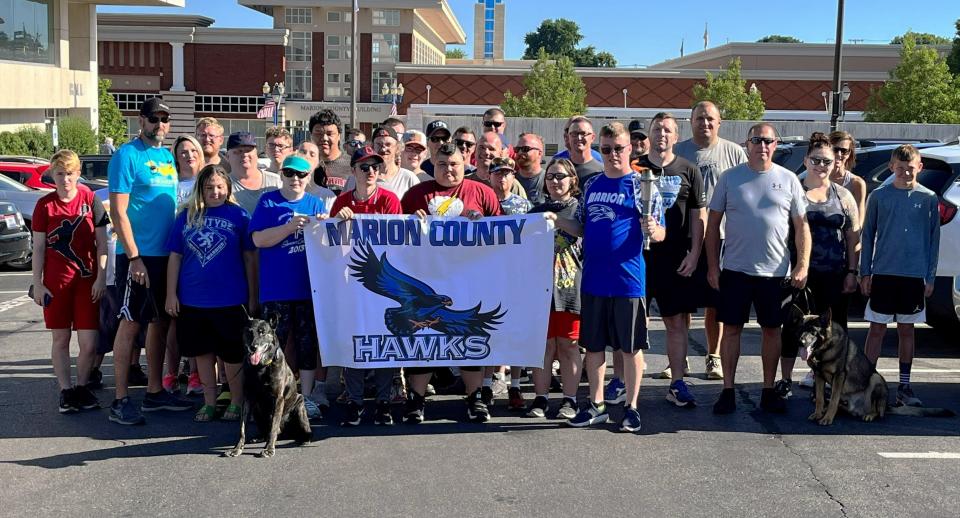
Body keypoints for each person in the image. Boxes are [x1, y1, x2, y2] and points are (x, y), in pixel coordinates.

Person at [549, 122, 666, 433]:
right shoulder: (592, 185)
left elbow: (661, 231)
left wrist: (654, 229)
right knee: (595, 346)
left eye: (618, 148)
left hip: (628, 278)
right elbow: (582, 228)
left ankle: (631, 407)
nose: (613, 154)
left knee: (629, 348)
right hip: (594, 278)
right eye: (606, 149)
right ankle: (597, 404)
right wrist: (555, 219)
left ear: (630, 149)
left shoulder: (642, 185)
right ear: (599, 149)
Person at [706, 123, 810, 415]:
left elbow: (802, 227)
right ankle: (727, 390)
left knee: (771, 331)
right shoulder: (730, 178)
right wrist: (713, 266)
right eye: (756, 140)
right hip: (736, 270)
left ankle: (768, 390)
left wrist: (802, 264)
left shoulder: (789, 179)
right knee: (732, 330)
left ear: (775, 145)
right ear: (747, 144)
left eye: (768, 141)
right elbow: (712, 226)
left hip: (775, 274)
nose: (762, 146)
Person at [400, 143, 502, 423]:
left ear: (465, 162)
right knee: (423, 339)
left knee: (469, 337)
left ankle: (475, 397)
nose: (449, 169)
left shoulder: (482, 192)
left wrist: (483, 225)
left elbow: (505, 236)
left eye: (454, 164)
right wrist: (409, 221)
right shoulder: (415, 195)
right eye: (442, 164)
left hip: (469, 278)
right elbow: (395, 236)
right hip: (427, 280)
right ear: (433, 164)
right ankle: (416, 400)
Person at [107, 97, 193, 425]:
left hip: (164, 256)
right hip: (138, 258)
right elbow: (118, 211)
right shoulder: (126, 156)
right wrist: (134, 257)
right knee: (131, 323)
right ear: (141, 121)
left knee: (160, 323)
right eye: (153, 119)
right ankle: (120, 400)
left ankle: (155, 393)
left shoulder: (164, 157)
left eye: (164, 119)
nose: (160, 125)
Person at [164, 164, 256, 422]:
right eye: (208, 187)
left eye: (219, 187)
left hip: (231, 298)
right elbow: (175, 257)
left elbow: (250, 258)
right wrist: (171, 294)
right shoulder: (186, 216)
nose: (214, 191)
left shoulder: (239, 215)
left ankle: (236, 401)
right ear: (200, 190)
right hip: (193, 299)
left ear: (227, 188)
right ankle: (209, 402)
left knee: (232, 354)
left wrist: (253, 295)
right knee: (202, 353)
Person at [775, 133, 861, 399]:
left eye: (827, 161)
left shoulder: (843, 196)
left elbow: (853, 237)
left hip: (834, 274)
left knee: (833, 332)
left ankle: (826, 384)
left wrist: (852, 272)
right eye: (816, 160)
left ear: (835, 162)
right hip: (800, 273)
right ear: (806, 160)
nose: (821, 166)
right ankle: (785, 380)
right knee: (792, 328)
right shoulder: (794, 191)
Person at [674, 100, 748, 381]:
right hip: (685, 238)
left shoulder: (734, 152)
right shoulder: (678, 152)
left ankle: (713, 356)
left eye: (710, 119)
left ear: (719, 122)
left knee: (715, 303)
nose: (704, 123)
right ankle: (678, 358)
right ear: (690, 121)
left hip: (722, 239)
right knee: (682, 303)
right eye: (699, 118)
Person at [860, 144, 939, 407]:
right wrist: (865, 272)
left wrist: (930, 276)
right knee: (877, 329)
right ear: (892, 167)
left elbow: (933, 239)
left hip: (913, 276)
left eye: (910, 168)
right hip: (883, 273)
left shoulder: (928, 198)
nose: (905, 173)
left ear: (919, 167)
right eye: (900, 168)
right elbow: (868, 234)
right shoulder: (879, 196)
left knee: (907, 330)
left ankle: (904, 386)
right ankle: (867, 383)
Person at [329, 146, 403, 426]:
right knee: (356, 342)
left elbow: (399, 242)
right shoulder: (342, 202)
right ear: (353, 171)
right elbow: (330, 243)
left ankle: (383, 402)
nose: (371, 171)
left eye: (375, 166)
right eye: (364, 167)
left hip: (383, 283)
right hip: (352, 284)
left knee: (384, 341)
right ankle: (356, 401)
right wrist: (338, 221)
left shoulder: (389, 200)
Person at [250, 155, 328, 419]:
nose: (295, 179)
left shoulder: (316, 203)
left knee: (308, 346)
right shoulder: (268, 201)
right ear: (281, 174)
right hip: (276, 289)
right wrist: (289, 227)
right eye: (290, 174)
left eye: (301, 175)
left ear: (309, 177)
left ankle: (304, 399)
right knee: (273, 346)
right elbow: (258, 239)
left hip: (308, 288)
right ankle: (269, 398)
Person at [636, 113, 706, 407]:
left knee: (675, 323)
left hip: (675, 258)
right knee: (632, 322)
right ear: (649, 135)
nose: (662, 134)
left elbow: (698, 217)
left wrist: (695, 253)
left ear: (676, 136)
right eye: (657, 129)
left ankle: (677, 382)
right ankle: (623, 382)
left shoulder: (689, 170)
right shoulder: (634, 168)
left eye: (667, 130)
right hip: (637, 257)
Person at [31, 150, 109, 414]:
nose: (65, 179)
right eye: (60, 174)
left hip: (86, 282)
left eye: (70, 174)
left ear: (78, 174)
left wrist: (101, 276)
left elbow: (102, 244)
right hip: (56, 282)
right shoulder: (45, 205)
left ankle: (82, 387)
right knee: (61, 339)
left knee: (89, 343)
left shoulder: (90, 199)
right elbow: (39, 247)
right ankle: (66, 391)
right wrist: (37, 283)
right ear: (53, 175)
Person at [525, 158, 583, 420]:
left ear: (573, 180)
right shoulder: (534, 211)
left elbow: (584, 231)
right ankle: (541, 398)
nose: (555, 181)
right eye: (550, 177)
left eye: (560, 176)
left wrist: (557, 220)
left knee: (569, 345)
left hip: (569, 287)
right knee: (543, 346)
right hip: (538, 290)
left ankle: (570, 400)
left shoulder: (580, 210)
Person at [344, 126, 420, 198]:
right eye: (379, 144)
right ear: (372, 147)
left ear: (397, 148)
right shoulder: (355, 178)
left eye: (388, 144)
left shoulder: (408, 178)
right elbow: (342, 206)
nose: (383, 149)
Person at [226, 131, 282, 215]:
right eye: (238, 151)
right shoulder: (223, 185)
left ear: (256, 153)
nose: (244, 154)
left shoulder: (276, 182)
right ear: (227, 156)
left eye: (248, 150)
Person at [467, 132, 526, 200]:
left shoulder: (511, 184)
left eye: (491, 149)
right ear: (475, 150)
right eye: (482, 147)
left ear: (500, 154)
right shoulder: (465, 181)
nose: (486, 152)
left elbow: (524, 207)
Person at [829, 130, 867, 226]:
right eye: (835, 149)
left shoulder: (856, 183)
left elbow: (858, 222)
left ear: (849, 153)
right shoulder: (817, 178)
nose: (839, 154)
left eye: (844, 151)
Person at [309, 109, 351, 193]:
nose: (324, 138)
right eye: (318, 134)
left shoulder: (353, 165)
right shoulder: (305, 165)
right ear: (311, 135)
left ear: (339, 136)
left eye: (329, 134)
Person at [296, 141, 338, 212]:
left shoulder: (327, 196)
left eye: (312, 155)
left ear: (318, 163)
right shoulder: (283, 190)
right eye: (302, 152)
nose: (306, 156)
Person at [565, 116, 604, 189]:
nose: (579, 138)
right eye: (574, 134)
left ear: (592, 137)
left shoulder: (602, 172)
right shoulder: (561, 170)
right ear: (568, 137)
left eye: (583, 133)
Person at [514, 132, 546, 205]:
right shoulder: (509, 180)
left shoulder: (550, 180)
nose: (520, 152)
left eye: (525, 149)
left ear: (539, 153)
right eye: (517, 149)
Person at [173, 135, 205, 205]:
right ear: (176, 157)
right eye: (184, 152)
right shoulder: (170, 183)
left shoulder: (207, 182)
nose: (190, 155)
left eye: (193, 150)